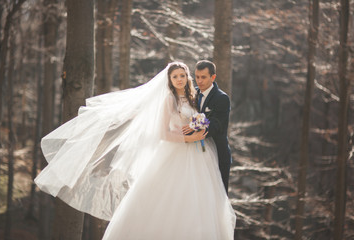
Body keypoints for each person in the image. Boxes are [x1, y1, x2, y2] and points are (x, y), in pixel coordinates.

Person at [35, 62, 236, 239]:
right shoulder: (169, 100)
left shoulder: (194, 98)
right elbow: (163, 133)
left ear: (187, 77)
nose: (179, 79)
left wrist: (199, 130)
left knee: (199, 199)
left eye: (183, 75)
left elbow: (206, 120)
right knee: (167, 197)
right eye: (175, 76)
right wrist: (189, 138)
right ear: (169, 80)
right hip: (175, 152)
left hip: (200, 155)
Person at [190, 60, 232, 193]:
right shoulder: (192, 94)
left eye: (203, 77)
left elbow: (216, 125)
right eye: (197, 77)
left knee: (217, 195)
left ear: (213, 77)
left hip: (217, 154)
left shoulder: (222, 98)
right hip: (195, 153)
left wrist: (192, 130)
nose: (199, 81)